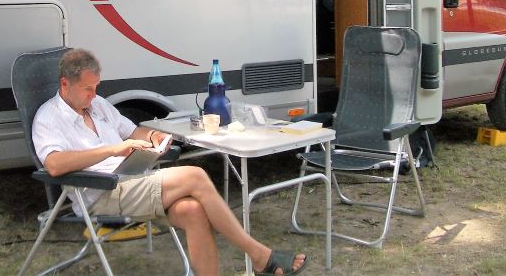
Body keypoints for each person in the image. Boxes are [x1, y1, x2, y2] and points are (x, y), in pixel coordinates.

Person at [32, 48, 308, 276]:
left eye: (96, 88)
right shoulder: (48, 118)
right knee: (195, 175)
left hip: (131, 179)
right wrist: (114, 150)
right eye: (87, 89)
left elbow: (131, 132)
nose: (93, 95)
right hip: (100, 191)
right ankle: (260, 256)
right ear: (65, 84)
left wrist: (154, 137)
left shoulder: (98, 105)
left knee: (192, 210)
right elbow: (54, 165)